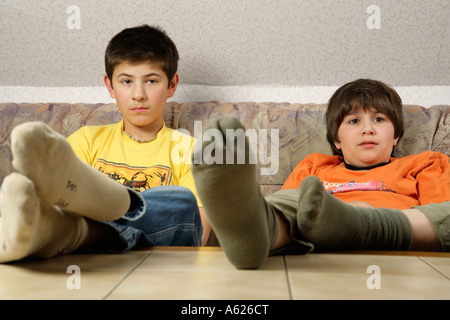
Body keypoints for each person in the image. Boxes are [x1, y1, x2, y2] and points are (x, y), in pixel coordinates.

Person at [0, 25, 210, 264]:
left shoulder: (191, 150)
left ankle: (74, 229)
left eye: (151, 81)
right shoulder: (87, 139)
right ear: (110, 86)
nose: (138, 94)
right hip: (85, 247)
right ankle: (64, 230)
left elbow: (197, 233)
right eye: (126, 81)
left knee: (180, 201)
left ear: (171, 85)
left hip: (150, 250)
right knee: (15, 194)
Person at [191, 78, 450, 269]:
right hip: (315, 241)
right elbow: (284, 207)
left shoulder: (425, 163)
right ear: (336, 140)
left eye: (379, 119)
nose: (368, 129)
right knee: (287, 209)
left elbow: (439, 218)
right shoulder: (316, 166)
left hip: (387, 237)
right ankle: (252, 236)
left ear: (396, 136)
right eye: (353, 121)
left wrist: (361, 211)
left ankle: (348, 220)